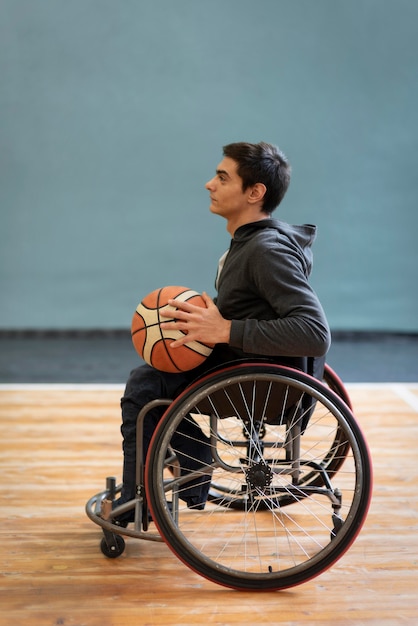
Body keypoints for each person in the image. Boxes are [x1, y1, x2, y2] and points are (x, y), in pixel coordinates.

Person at [113, 141, 331, 524]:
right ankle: (188, 461)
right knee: (151, 375)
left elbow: (314, 332)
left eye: (221, 177)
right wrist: (206, 318)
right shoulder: (249, 245)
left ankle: (150, 493)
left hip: (259, 384)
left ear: (254, 192)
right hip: (250, 370)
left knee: (145, 387)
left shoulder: (265, 250)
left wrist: (225, 328)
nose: (208, 184)